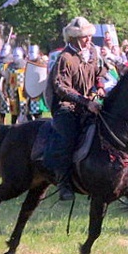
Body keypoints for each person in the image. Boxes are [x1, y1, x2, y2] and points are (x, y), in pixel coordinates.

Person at [44, 16, 107, 201]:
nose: (88, 40)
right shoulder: (65, 58)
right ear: (73, 38)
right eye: (84, 37)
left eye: (89, 36)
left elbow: (98, 73)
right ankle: (64, 183)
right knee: (67, 140)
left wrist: (100, 85)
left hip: (90, 104)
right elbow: (61, 88)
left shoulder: (93, 52)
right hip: (67, 107)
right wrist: (86, 102)